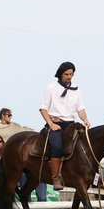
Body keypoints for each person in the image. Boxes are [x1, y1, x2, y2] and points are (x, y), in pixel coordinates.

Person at [39, 61, 91, 190]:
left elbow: (80, 109)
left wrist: (85, 119)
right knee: (57, 146)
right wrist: (51, 124)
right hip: (55, 123)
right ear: (60, 74)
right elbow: (43, 108)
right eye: (66, 74)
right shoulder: (51, 87)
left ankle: (91, 174)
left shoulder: (77, 90)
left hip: (70, 124)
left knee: (86, 143)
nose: (69, 76)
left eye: (71, 74)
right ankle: (56, 177)